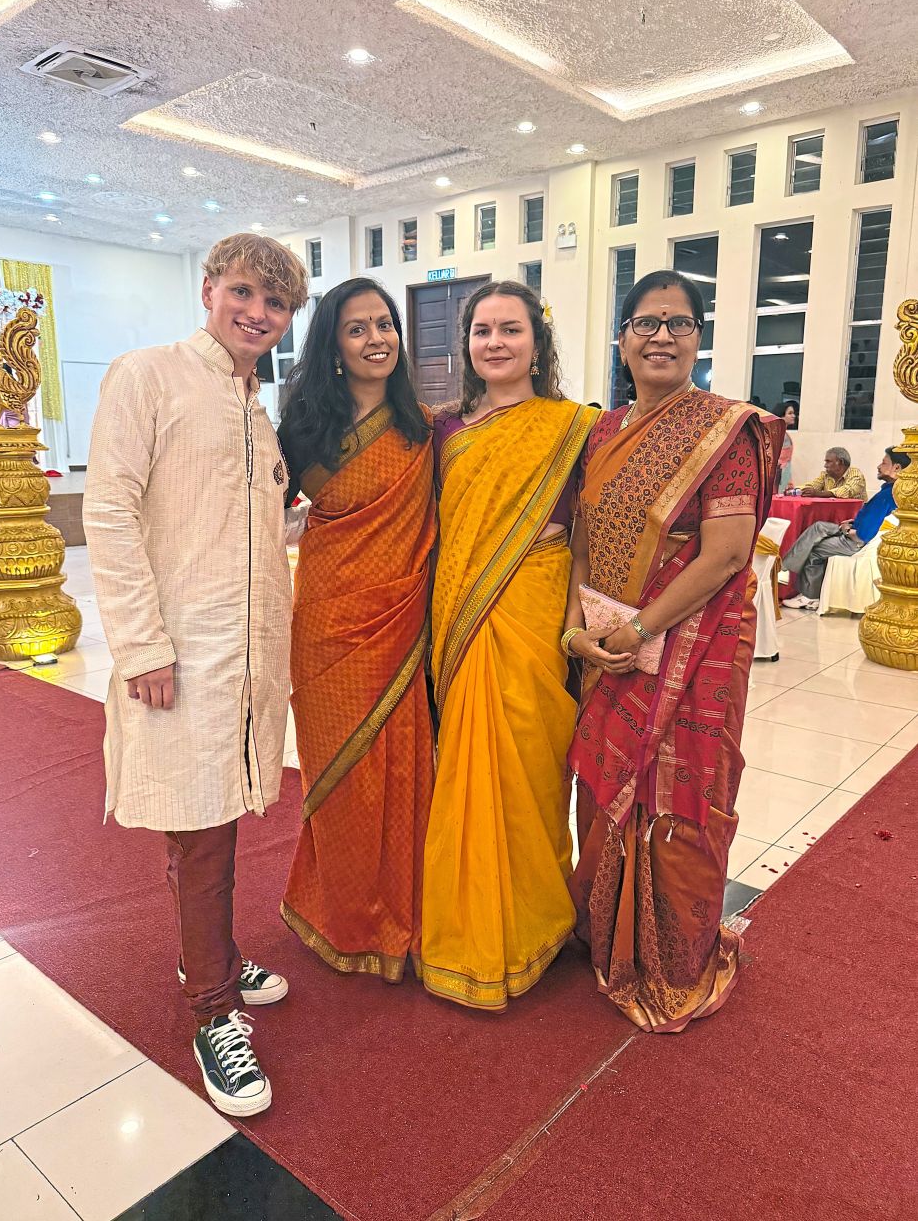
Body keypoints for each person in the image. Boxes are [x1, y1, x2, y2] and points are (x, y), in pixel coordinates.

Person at [83, 234, 307, 1116]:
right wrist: (141, 646)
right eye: (244, 292)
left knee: (217, 813)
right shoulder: (150, 375)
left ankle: (209, 954)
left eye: (276, 303)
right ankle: (212, 1010)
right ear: (209, 288)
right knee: (202, 827)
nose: (257, 313)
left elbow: (246, 529)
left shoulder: (252, 405)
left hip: (244, 655)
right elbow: (110, 510)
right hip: (181, 653)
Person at [564, 269, 783, 1033]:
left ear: (697, 339)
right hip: (606, 645)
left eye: (679, 323)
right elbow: (582, 540)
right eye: (646, 323)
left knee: (677, 798)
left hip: (693, 644)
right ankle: (603, 932)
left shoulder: (728, 429)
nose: (662, 335)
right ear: (622, 339)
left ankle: (669, 960)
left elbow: (725, 555)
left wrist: (639, 631)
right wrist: (578, 630)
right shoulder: (601, 432)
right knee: (604, 787)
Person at [421, 281, 600, 1011]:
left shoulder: (577, 427)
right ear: (466, 343)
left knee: (529, 763)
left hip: (535, 608)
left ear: (537, 341)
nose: (494, 343)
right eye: (482, 331)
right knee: (465, 767)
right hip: (461, 612)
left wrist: (582, 621)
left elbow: (588, 536)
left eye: (510, 330)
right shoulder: (444, 430)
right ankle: (468, 931)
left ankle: (536, 922)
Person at [277, 278, 436, 979]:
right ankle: (344, 915)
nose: (377, 339)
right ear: (333, 347)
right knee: (340, 780)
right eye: (357, 328)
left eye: (384, 324)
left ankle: (408, 917)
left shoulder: (426, 429)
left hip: (401, 623)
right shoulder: (302, 429)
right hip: (325, 627)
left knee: (404, 774)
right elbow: (254, 513)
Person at [782, 449, 909, 609]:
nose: (878, 466)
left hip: (856, 540)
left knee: (816, 549)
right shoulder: (892, 490)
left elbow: (864, 534)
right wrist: (852, 523)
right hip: (854, 527)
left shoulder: (886, 494)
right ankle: (785, 568)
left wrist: (847, 530)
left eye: (884, 463)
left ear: (896, 468)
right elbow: (876, 520)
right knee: (818, 527)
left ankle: (810, 596)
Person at [798, 447, 867, 500]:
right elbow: (813, 486)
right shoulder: (825, 475)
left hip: (856, 513)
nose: (825, 465)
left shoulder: (856, 474)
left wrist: (819, 493)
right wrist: (797, 490)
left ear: (841, 462)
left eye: (828, 461)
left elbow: (847, 491)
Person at [774, 399, 798, 493]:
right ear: (781, 415)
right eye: (790, 413)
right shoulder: (778, 433)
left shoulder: (784, 433)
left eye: (793, 413)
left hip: (785, 470)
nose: (793, 416)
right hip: (779, 472)